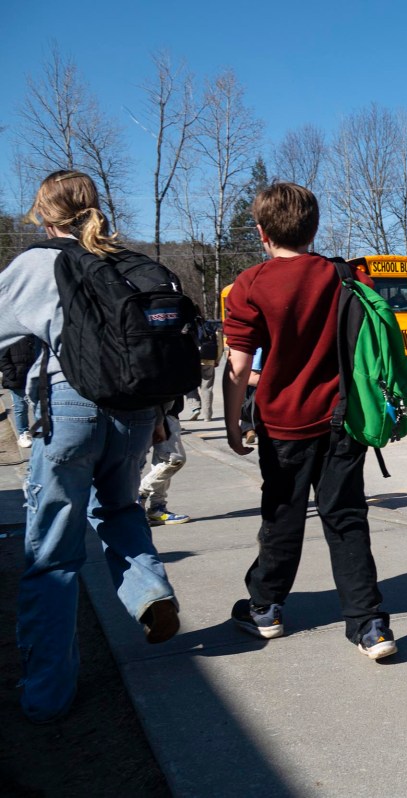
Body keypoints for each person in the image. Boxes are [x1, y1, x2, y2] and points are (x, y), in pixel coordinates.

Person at [0, 170, 180, 723]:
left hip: (69, 409)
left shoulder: (37, 263)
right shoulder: (127, 261)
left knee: (52, 554)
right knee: (121, 508)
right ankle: (149, 591)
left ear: (44, 214)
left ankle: (48, 692)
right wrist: (162, 417)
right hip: (133, 415)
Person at [222, 182, 396, 661]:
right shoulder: (345, 278)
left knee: (281, 517)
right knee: (346, 518)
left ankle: (265, 608)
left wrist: (233, 422)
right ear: (314, 228)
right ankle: (370, 625)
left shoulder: (251, 284)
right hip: (343, 420)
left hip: (282, 426)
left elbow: (238, 365)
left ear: (261, 232)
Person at [139, 397, 191, 525]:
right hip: (162, 412)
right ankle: (139, 493)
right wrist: (160, 420)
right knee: (174, 459)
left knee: (161, 461)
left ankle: (157, 508)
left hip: (163, 412)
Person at [1, 335, 37, 448]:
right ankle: (23, 433)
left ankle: (39, 431)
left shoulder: (34, 336)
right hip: (18, 379)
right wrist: (12, 375)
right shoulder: (12, 336)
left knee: (38, 406)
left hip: (35, 377)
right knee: (20, 407)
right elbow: (2, 358)